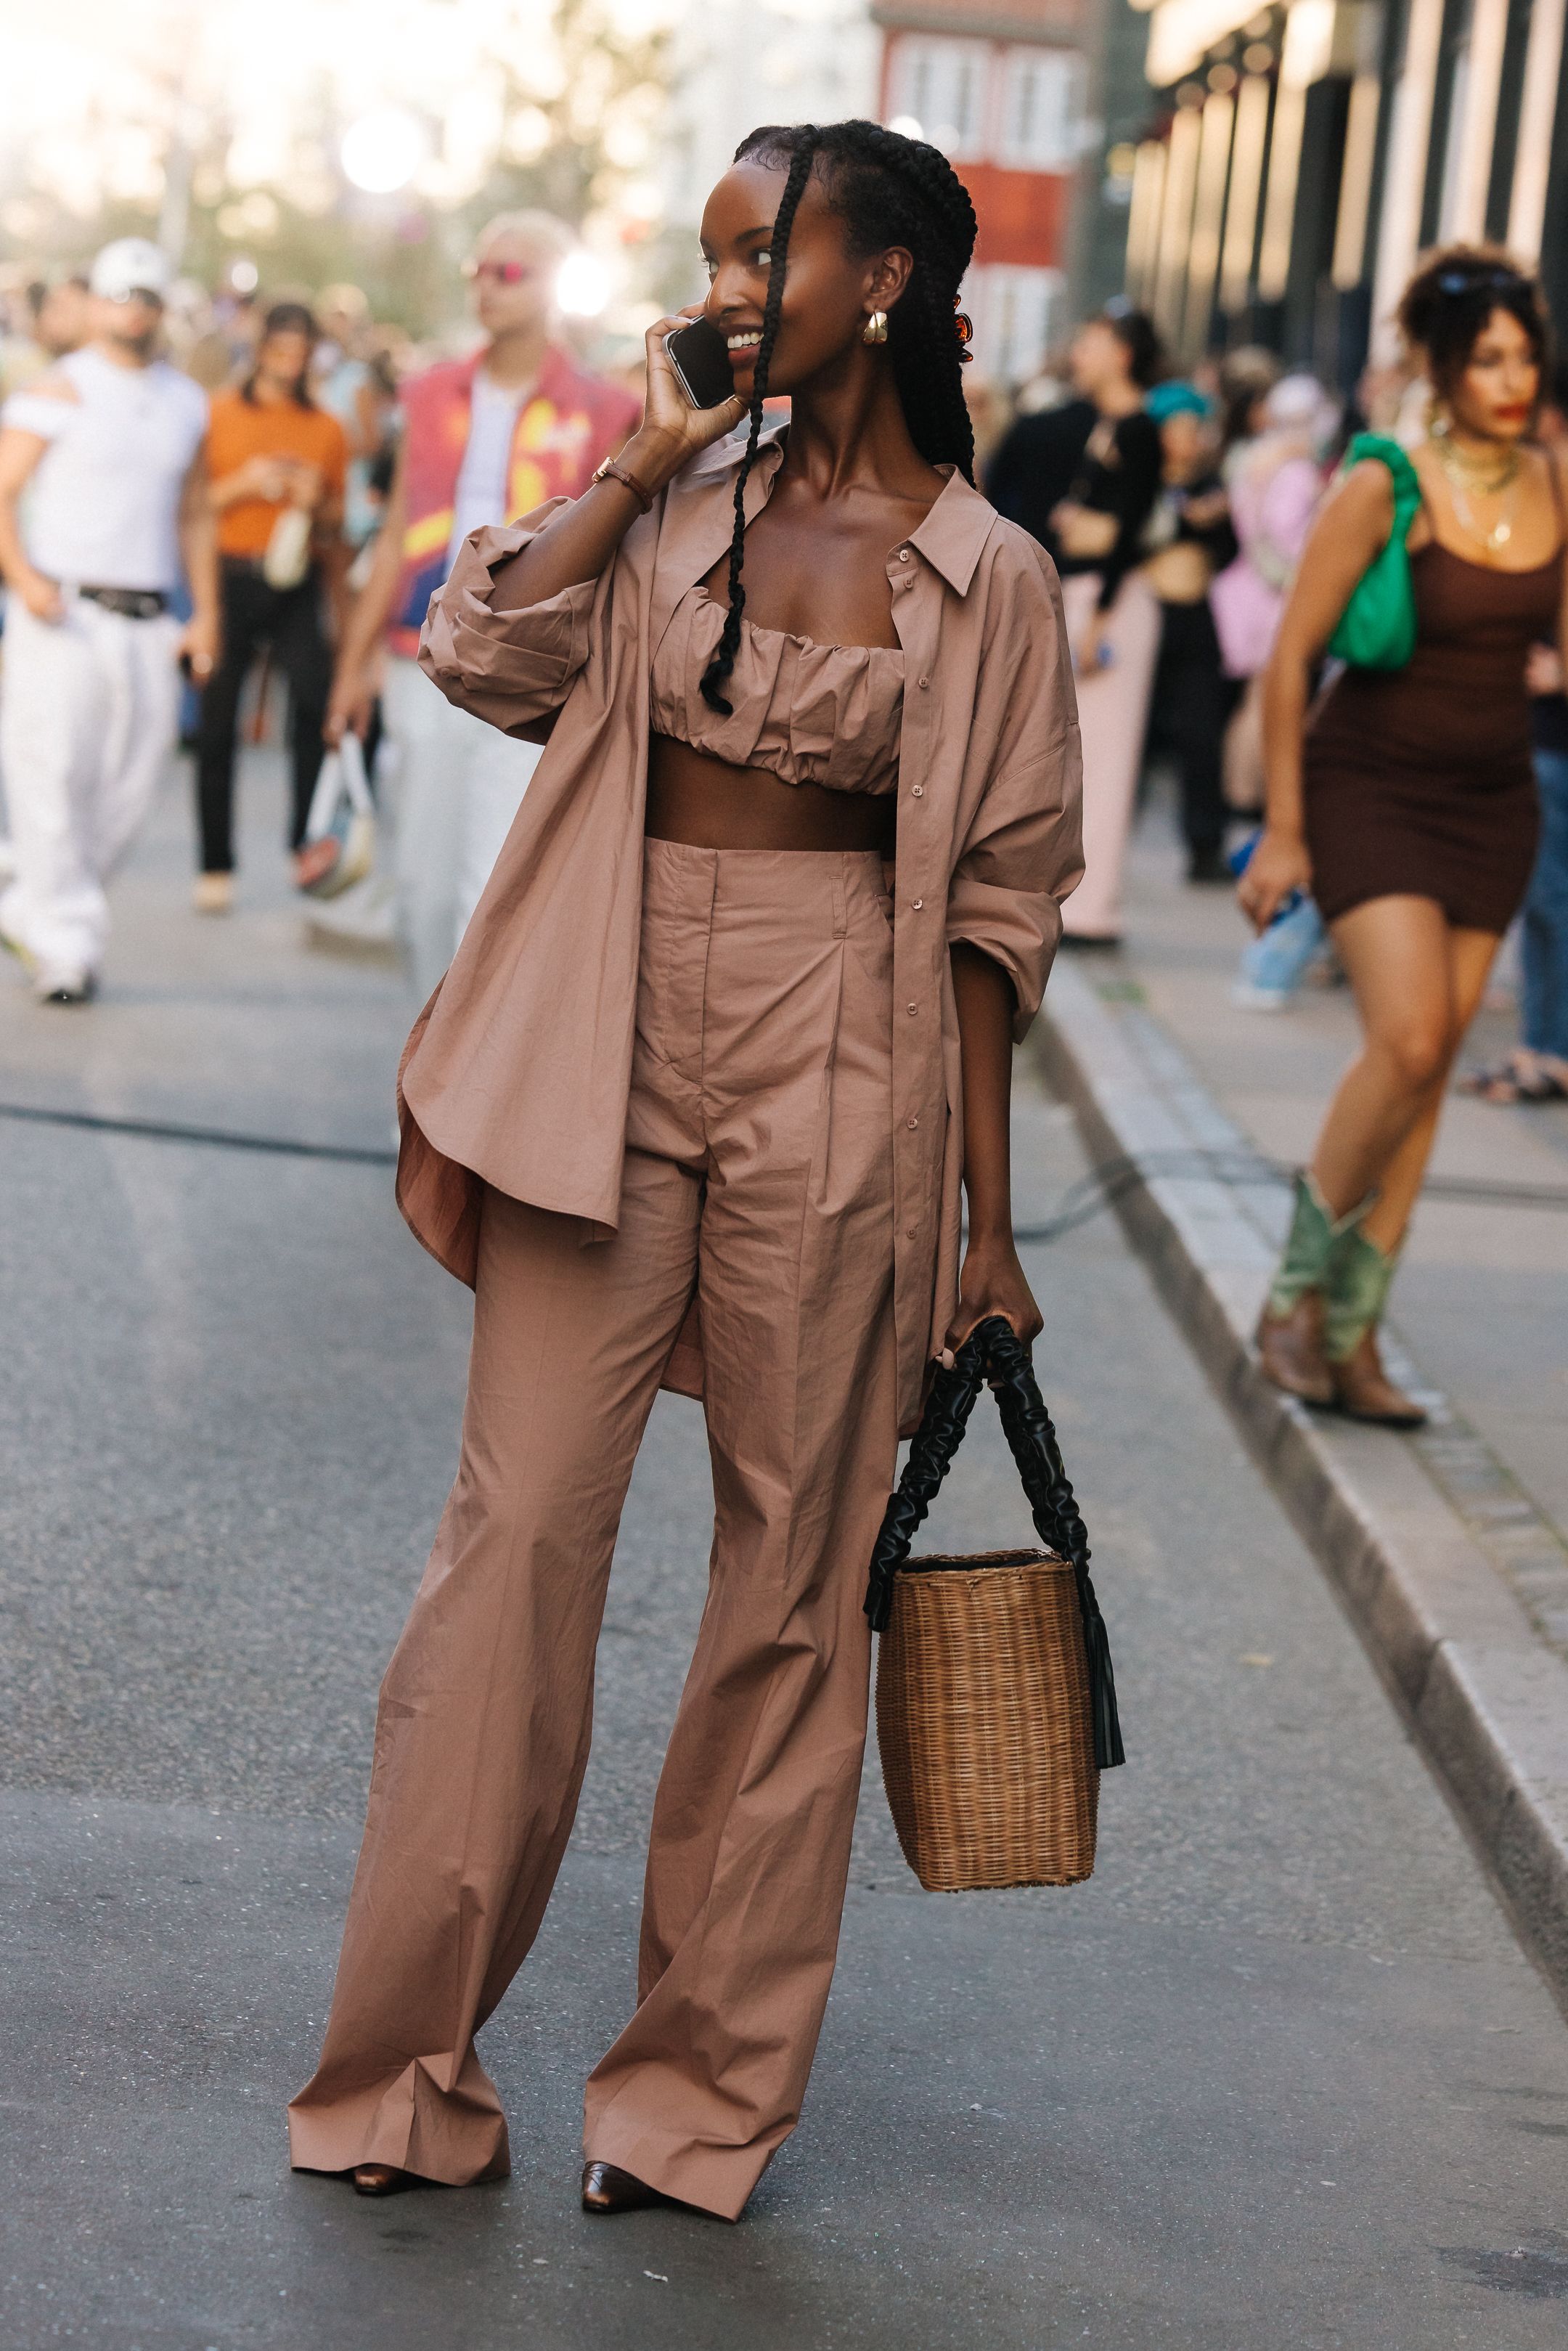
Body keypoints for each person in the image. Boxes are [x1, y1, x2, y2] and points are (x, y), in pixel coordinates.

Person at [287, 118, 1082, 2220]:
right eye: (717, 252)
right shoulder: (673, 503)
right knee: (515, 1535)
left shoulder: (992, 578)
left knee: (790, 1580)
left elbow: (1000, 911)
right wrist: (641, 459)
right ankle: (398, 2067)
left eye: (766, 251)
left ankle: (691, 2097)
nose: (728, 287)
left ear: (884, 280)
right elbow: (479, 652)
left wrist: (991, 1226)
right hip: (605, 1021)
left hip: (852, 1043)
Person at [1243, 248, 1564, 1425]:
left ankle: (1355, 1332)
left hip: (1493, 798)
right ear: (1439, 364)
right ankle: (1290, 1300)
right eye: (1488, 357)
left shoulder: (1554, 479)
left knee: (1426, 1082)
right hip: (1370, 777)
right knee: (1415, 1034)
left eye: (1526, 354)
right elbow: (1291, 656)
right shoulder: (1385, 481)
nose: (1513, 377)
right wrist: (1283, 828)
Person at [324, 211, 640, 998]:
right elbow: (397, 531)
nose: (488, 287)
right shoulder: (428, 393)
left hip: (535, 676)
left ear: (552, 286)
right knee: (420, 901)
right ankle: (428, 1079)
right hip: (421, 661)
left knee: (488, 899)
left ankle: (461, 1108)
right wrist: (352, 665)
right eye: (479, 270)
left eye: (510, 272)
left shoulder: (604, 410)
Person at [0, 238, 216, 1003]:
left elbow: (196, 514)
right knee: (52, 774)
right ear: (96, 302)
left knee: (128, 788)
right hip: (63, 614)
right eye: (120, 296)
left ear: (162, 307)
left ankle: (34, 896)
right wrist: (23, 577)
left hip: (148, 617)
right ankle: (64, 945)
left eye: (146, 297)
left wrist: (207, 618)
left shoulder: (188, 402)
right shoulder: (54, 391)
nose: (132, 310)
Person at [989, 303, 1162, 945]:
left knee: (1107, 756)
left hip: (1110, 604)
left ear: (1120, 352)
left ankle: (1095, 908)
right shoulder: (1106, 424)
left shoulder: (1142, 427)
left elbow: (1132, 531)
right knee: (1074, 753)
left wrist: (1103, 619)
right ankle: (1071, 898)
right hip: (1086, 594)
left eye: (1090, 341)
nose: (1079, 354)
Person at [192, 302, 347, 912]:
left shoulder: (327, 427)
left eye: (301, 346)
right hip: (231, 574)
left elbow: (340, 520)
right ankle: (214, 864)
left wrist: (315, 500)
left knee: (310, 706)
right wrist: (251, 481)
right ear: (259, 348)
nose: (291, 357)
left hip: (297, 577)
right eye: (281, 344)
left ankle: (301, 845)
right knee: (216, 720)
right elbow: (195, 503)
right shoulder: (218, 414)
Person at [1461, 356, 1568, 1104]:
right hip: (1541, 733)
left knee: (1550, 899)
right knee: (1542, 898)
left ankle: (1551, 1049)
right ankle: (1543, 1043)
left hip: (1556, 734)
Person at [1210, 374, 1334, 820]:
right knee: (1268, 701)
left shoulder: (1252, 459)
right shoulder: (1295, 468)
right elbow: (1287, 535)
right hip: (1272, 596)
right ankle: (1250, 798)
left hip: (1245, 590)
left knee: (1255, 701)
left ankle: (1240, 794)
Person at [1140, 380, 1238, 883]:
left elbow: (1229, 551)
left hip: (1196, 621)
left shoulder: (1211, 485)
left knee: (1203, 736)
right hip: (1148, 616)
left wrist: (1210, 525)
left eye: (1191, 427)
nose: (1184, 437)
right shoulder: (1140, 482)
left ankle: (1205, 845)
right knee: (1132, 737)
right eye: (1175, 427)